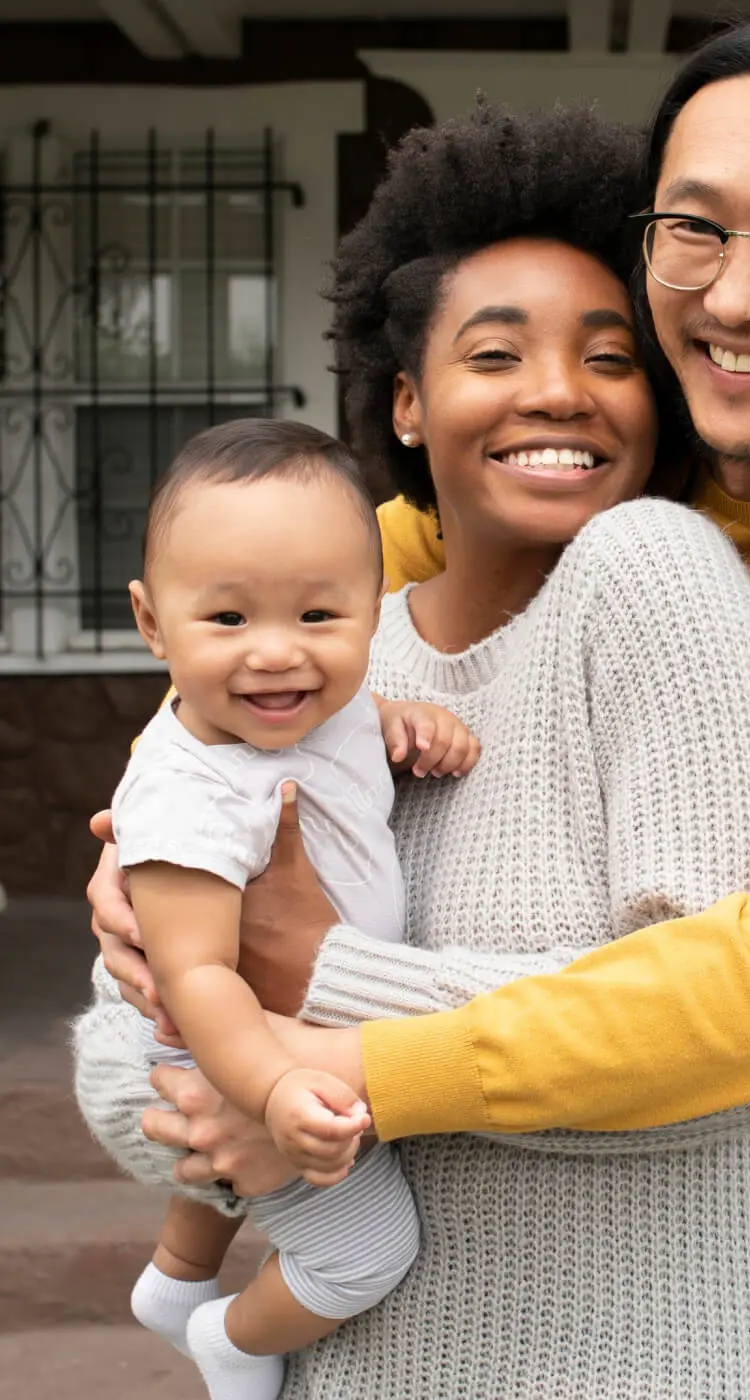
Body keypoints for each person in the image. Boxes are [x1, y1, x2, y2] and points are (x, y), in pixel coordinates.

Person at [84, 12, 750, 1398]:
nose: (734, 295)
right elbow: (269, 648)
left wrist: (321, 1051)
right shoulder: (577, 488)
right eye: (696, 229)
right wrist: (153, 847)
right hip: (548, 1203)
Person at [90, 418, 478, 1400]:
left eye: (317, 615)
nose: (277, 655)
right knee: (367, 1252)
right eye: (226, 620)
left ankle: (175, 1282)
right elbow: (199, 978)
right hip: (233, 1045)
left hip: (300, 1019)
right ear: (151, 623)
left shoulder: (330, 699)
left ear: (371, 611)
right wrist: (268, 1091)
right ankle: (233, 1333)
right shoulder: (190, 797)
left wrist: (400, 718)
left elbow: (346, 722)